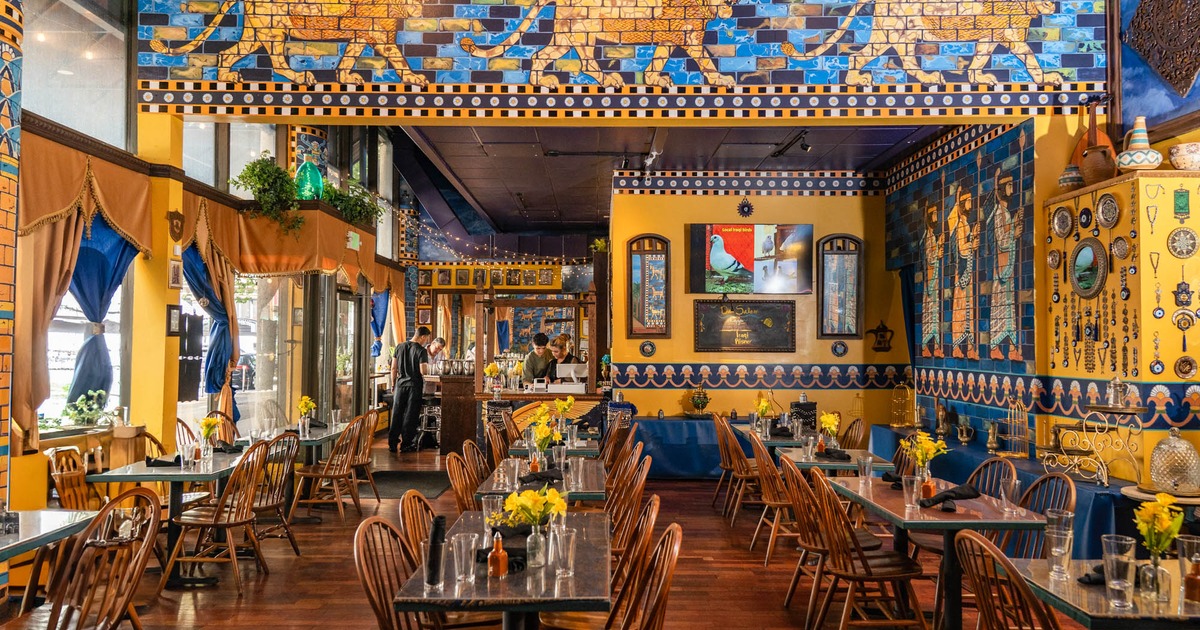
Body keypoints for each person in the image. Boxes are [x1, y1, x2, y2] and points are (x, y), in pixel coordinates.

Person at [390, 326, 431, 453]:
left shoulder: (399, 346)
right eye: (427, 338)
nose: (426, 341)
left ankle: (392, 443)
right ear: (423, 337)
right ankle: (406, 444)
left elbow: (393, 368)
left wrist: (393, 384)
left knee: (396, 413)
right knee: (410, 415)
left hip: (400, 385)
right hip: (414, 386)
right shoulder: (421, 350)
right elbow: (423, 371)